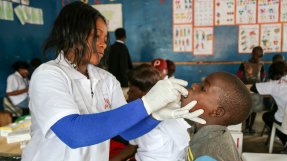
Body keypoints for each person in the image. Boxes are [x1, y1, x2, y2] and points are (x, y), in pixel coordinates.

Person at [21, 2, 204, 161]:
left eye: (105, 38)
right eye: (96, 36)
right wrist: (146, 104)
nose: (103, 44)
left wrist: (155, 116)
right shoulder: (48, 75)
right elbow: (74, 134)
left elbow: (127, 132)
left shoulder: (106, 80)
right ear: (72, 33)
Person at [111, 64, 199, 161]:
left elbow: (187, 146)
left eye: (132, 90)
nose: (128, 93)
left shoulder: (167, 116)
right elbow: (132, 146)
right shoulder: (136, 116)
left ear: (145, 93)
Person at [181, 72, 252, 161]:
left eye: (203, 88)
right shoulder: (210, 135)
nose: (194, 85)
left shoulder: (207, 155)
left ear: (217, 112)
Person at [250, 61, 287, 152]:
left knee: (267, 116)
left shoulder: (273, 85)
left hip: (285, 122)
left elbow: (253, 88)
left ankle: (285, 141)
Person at [237, 46, 265, 134]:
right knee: (247, 109)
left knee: (255, 110)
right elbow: (239, 75)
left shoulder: (261, 65)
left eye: (259, 56)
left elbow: (263, 76)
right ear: (252, 54)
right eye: (256, 55)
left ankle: (250, 127)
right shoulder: (244, 64)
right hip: (246, 90)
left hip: (257, 90)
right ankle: (246, 126)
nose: (257, 58)